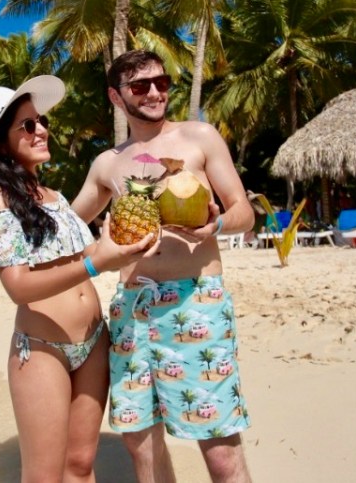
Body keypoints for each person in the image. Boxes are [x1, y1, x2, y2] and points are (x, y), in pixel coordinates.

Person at [0, 75, 160, 481]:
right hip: (43, 349)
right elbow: (17, 286)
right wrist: (96, 264)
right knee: (44, 475)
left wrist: (121, 246)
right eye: (27, 125)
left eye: (41, 121)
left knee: (81, 465)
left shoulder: (56, 198)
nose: (41, 130)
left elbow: (83, 253)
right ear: (1, 143)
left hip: (93, 341)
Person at [72, 50, 256, 483]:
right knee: (142, 447)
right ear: (117, 97)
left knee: (220, 449)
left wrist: (217, 224)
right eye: (140, 86)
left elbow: (244, 212)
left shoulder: (200, 137)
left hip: (196, 303)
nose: (155, 92)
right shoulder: (107, 164)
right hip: (132, 310)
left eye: (162, 82)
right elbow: (67, 219)